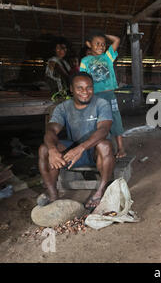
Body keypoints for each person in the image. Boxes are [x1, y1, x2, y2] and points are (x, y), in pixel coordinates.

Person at [38, 72, 115, 209]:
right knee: (44, 149)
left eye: (89, 87)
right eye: (80, 88)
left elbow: (104, 130)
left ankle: (100, 192)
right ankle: (53, 194)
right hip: (74, 154)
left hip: (96, 153)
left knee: (105, 145)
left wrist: (81, 148)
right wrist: (52, 150)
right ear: (71, 89)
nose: (85, 92)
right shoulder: (63, 107)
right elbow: (50, 130)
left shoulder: (101, 104)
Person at [79, 30, 126, 159]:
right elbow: (82, 79)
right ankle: (101, 149)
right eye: (97, 43)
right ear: (89, 44)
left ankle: (121, 147)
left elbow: (116, 39)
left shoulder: (107, 57)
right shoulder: (85, 60)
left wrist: (104, 35)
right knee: (98, 123)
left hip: (109, 95)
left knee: (116, 119)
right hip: (95, 97)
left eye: (103, 44)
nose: (101, 46)